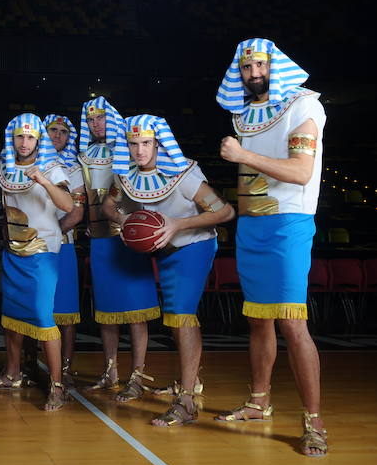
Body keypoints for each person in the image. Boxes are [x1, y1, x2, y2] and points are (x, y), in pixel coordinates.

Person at [214, 38, 328, 456]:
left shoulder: (303, 106)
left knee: (292, 323)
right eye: (246, 68)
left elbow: (300, 172)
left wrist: (242, 153)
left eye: (260, 66)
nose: (253, 74)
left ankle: (314, 422)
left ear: (274, 66)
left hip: (288, 224)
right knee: (258, 321)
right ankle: (259, 402)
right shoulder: (245, 112)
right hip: (252, 227)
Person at [108, 115, 234, 425]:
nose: (139, 151)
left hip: (194, 244)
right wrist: (125, 220)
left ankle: (187, 401)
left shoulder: (182, 173)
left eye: (146, 143)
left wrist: (178, 224)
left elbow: (225, 211)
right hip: (162, 250)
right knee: (175, 319)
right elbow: (108, 206)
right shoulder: (126, 175)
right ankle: (191, 383)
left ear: (158, 143)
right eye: (133, 144)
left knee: (180, 316)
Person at [0, 114, 75, 411]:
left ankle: (57, 386)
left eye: (31, 137)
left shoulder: (52, 166)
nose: (25, 143)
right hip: (13, 250)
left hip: (43, 251)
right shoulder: (1, 167)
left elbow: (68, 205)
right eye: (20, 137)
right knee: (12, 316)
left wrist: (44, 181)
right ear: (13, 138)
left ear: (39, 140)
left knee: (42, 315)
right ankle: (12, 373)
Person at [76, 97, 160, 402]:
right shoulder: (85, 154)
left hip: (131, 237)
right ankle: (110, 372)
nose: (96, 124)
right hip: (99, 238)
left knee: (137, 313)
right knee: (107, 313)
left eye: (101, 118)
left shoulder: (131, 148)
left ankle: (137, 376)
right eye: (90, 120)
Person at [43, 113, 84, 388]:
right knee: (37, 309)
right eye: (52, 131)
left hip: (64, 244)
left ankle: (65, 367)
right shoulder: (33, 162)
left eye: (63, 132)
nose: (57, 136)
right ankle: (28, 363)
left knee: (66, 312)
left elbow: (77, 213)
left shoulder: (75, 170)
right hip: (33, 247)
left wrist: (52, 230)